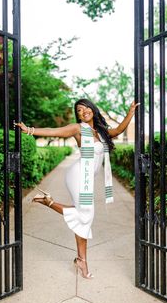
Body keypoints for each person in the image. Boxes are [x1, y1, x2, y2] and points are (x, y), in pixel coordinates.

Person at [14, 98, 140, 279]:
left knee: (85, 219)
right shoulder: (78, 128)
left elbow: (119, 130)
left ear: (92, 109)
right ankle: (49, 202)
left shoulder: (101, 132)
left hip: (87, 178)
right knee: (85, 215)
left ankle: (81, 260)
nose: (83, 112)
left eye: (85, 108)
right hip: (78, 175)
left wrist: (130, 112)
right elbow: (53, 131)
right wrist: (30, 130)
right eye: (79, 110)